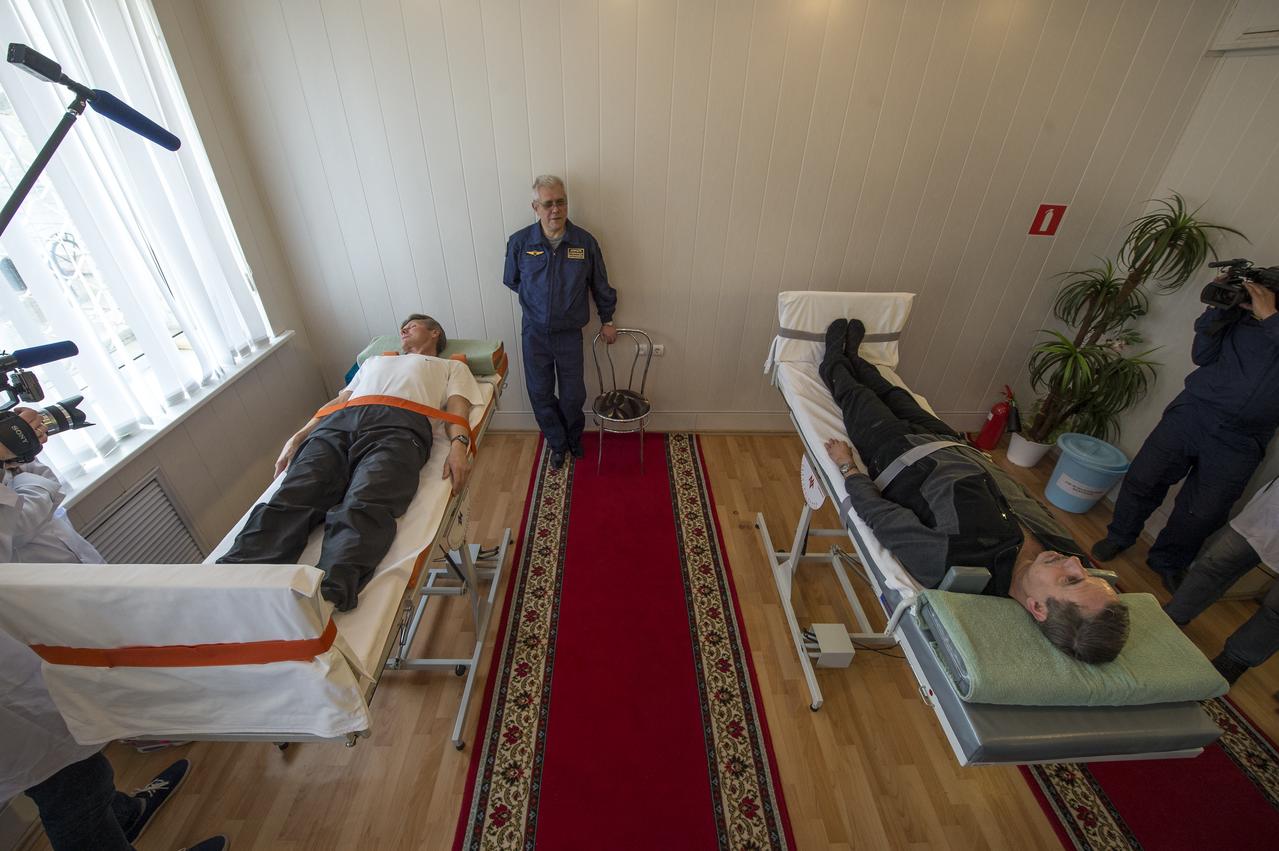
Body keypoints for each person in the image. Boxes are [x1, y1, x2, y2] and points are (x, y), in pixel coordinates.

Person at [819, 319, 1130, 663]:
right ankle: (855, 357)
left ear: (1038, 608)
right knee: (894, 394)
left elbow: (881, 516)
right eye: (1085, 574)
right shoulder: (1061, 550)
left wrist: (847, 467)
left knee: (856, 394)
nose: (1075, 563)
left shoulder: (955, 563)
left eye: (1070, 581)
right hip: (954, 445)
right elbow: (1026, 501)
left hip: (896, 450)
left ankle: (834, 358)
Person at [1, 412, 226, 851]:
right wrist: (15, 463)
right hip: (14, 683)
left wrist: (17, 457)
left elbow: (40, 487)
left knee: (83, 760)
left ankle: (124, 814)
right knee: (72, 787)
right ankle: (113, 813)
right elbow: (18, 518)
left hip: (48, 627)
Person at [217, 314, 484, 612]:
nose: (403, 330)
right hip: (339, 425)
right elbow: (340, 401)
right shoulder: (374, 362)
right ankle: (234, 578)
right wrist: (300, 435)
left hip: (399, 427)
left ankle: (325, 600)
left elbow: (458, 409)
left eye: (413, 325)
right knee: (295, 494)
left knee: (365, 503)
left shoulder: (451, 366)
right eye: (402, 327)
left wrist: (459, 445)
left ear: (435, 333)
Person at [1092, 280, 1279, 591]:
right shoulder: (1240, 315)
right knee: (1145, 478)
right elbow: (1202, 355)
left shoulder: (1270, 319)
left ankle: (1167, 561)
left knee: (1204, 511)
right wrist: (1219, 310)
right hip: (1194, 412)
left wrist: (1270, 317)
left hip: (1244, 438)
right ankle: (1119, 536)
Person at [503, 175, 618, 470]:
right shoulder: (520, 243)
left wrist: (607, 319)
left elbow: (600, 284)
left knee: (573, 395)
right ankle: (557, 442)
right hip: (534, 333)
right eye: (548, 204)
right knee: (540, 392)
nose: (556, 209)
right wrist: (539, 303)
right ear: (536, 207)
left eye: (561, 202)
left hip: (569, 334)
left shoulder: (584, 242)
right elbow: (512, 280)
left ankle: (573, 437)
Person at [1164, 475, 1279, 685]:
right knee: (1216, 563)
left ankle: (1234, 661)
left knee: (1276, 609)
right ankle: (1172, 615)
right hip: (1272, 512)